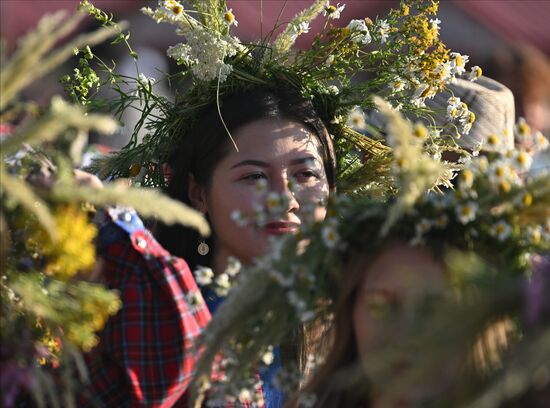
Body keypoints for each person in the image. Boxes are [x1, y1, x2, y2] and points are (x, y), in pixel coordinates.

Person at [80, 87, 336, 407]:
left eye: (306, 174)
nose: (285, 199)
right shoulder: (155, 319)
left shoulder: (349, 323)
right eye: (255, 176)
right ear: (199, 193)